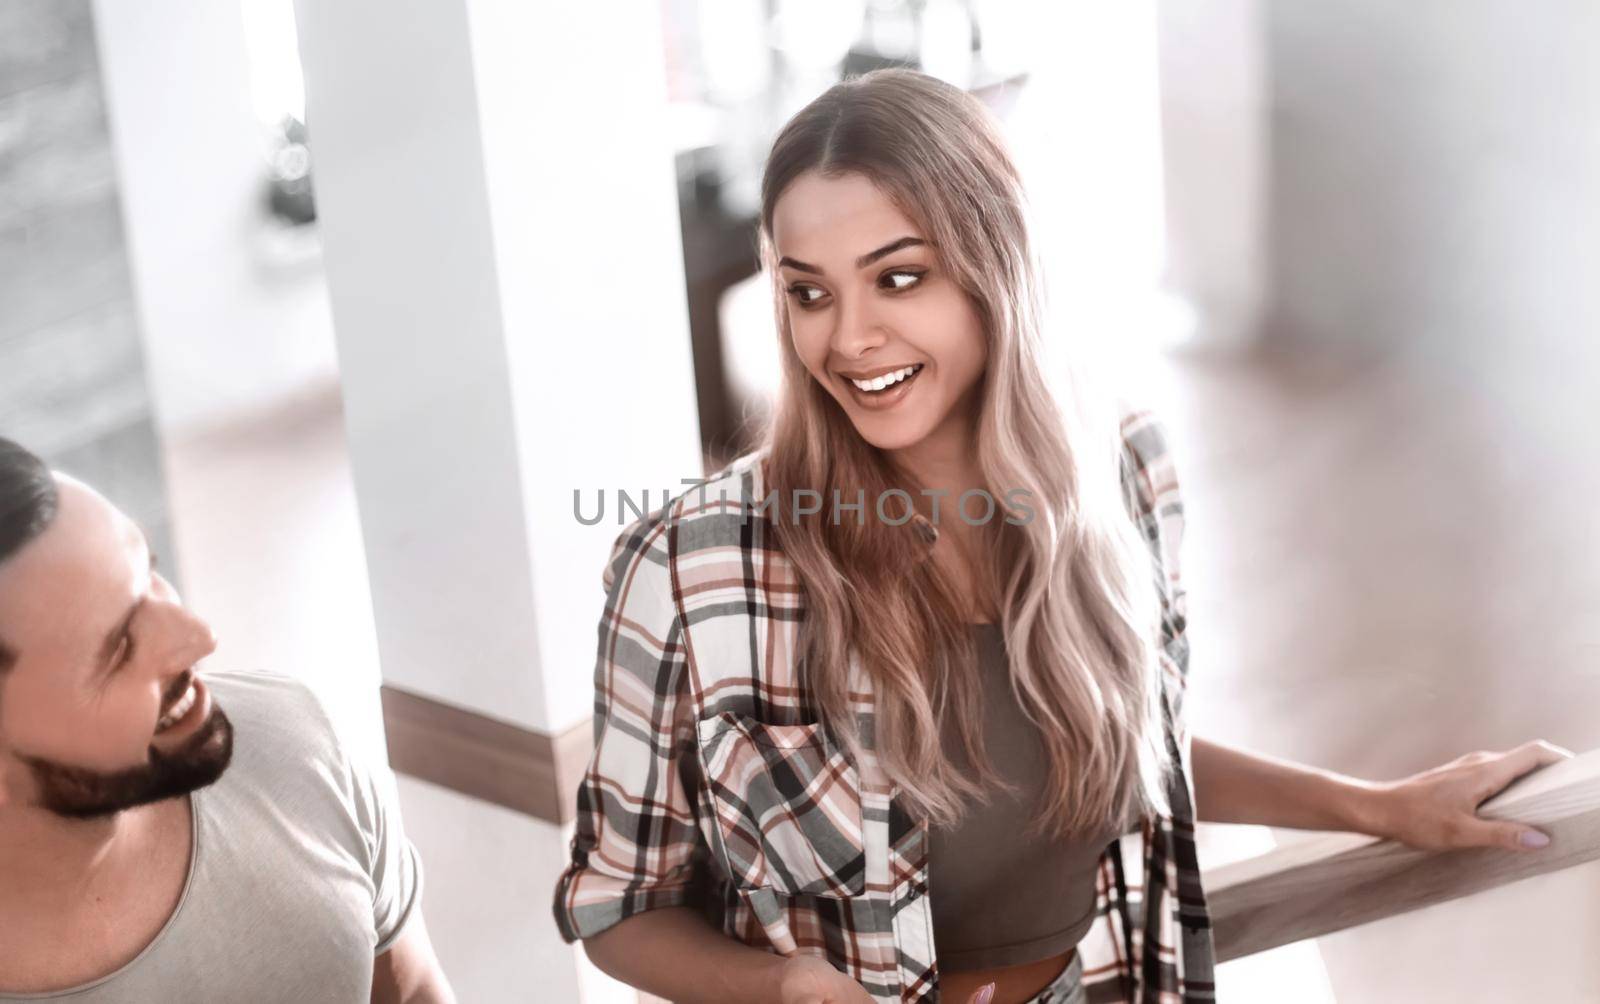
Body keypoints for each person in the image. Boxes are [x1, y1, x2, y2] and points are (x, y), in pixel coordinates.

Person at [551, 69, 1570, 1004]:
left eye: (897, 277)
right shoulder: (691, 565)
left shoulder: (1122, 469)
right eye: (808, 290)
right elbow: (617, 905)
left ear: (993, 262)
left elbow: (1128, 743)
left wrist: (1373, 805)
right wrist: (783, 987)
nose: (848, 335)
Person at [0, 437, 456, 1003]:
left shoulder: (295, 744)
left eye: (150, 575)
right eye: (119, 650)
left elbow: (412, 994)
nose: (200, 638)